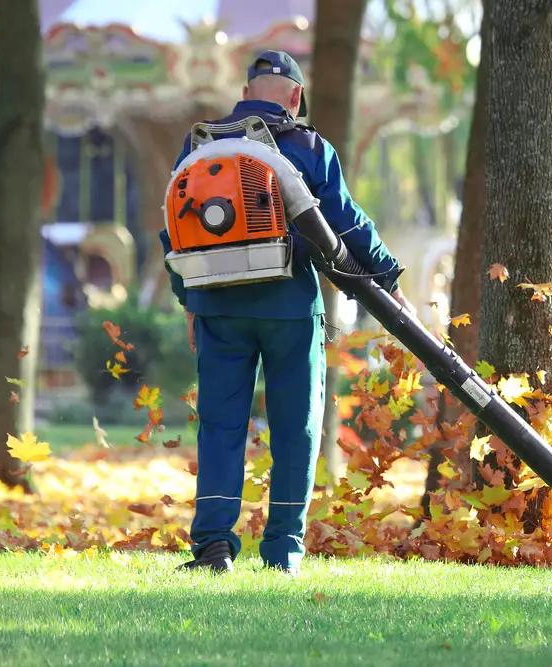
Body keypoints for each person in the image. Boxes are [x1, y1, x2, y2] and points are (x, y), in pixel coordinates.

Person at [160, 50, 416, 574]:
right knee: (296, 426)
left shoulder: (200, 143)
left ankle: (212, 546)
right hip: (288, 306)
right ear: (296, 95)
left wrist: (188, 300)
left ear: (248, 88)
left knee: (220, 424)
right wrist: (389, 279)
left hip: (217, 305)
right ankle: (283, 551)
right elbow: (346, 223)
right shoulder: (305, 145)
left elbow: (174, 226)